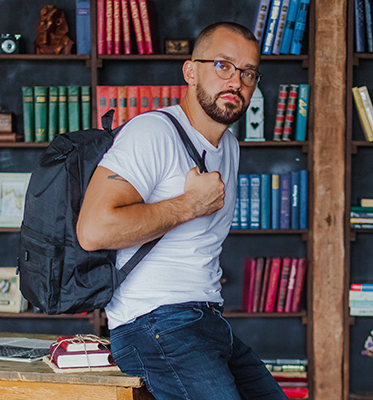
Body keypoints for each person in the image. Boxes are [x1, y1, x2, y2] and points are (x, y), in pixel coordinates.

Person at [77, 21, 287, 400]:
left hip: (207, 319)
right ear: (191, 72)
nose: (236, 81)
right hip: (153, 323)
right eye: (223, 65)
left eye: (248, 72)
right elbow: (94, 230)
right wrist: (190, 204)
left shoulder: (230, 147)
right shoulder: (153, 132)